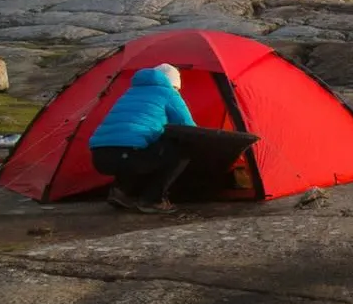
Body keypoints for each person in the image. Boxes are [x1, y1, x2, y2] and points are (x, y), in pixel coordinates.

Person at [89, 64, 257, 211]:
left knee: (138, 145)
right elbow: (189, 129)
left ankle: (120, 192)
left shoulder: (130, 93)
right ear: (174, 84)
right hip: (130, 156)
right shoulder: (168, 93)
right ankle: (153, 200)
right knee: (180, 150)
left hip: (100, 158)